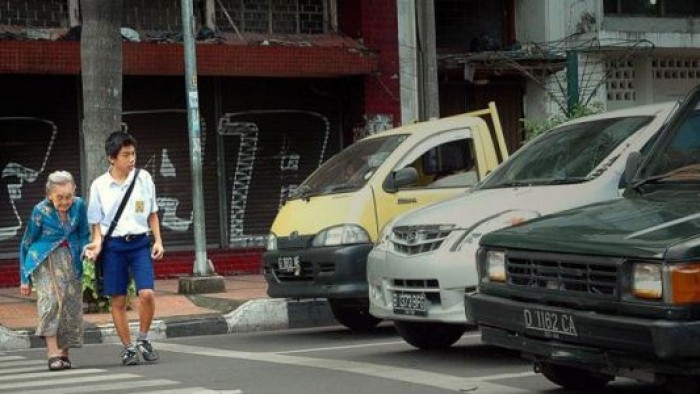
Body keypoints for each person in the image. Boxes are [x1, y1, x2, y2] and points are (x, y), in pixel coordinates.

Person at [84, 131, 164, 366]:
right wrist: (97, 244)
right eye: (126, 155)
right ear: (112, 158)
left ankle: (143, 338)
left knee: (147, 293)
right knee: (118, 300)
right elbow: (96, 224)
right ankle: (128, 348)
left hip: (140, 243)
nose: (132, 159)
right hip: (113, 247)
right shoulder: (99, 185)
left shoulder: (144, 178)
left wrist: (158, 240)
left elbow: (152, 213)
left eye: (133, 153)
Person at [19, 171, 89, 371]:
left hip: (72, 260)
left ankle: (64, 354)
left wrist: (88, 249)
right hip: (45, 259)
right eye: (60, 197)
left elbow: (84, 234)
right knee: (50, 302)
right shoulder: (40, 211)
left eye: (68, 196)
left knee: (70, 306)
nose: (65, 201)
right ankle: (52, 353)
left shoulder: (79, 205)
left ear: (74, 191)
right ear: (49, 195)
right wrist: (24, 277)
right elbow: (27, 242)